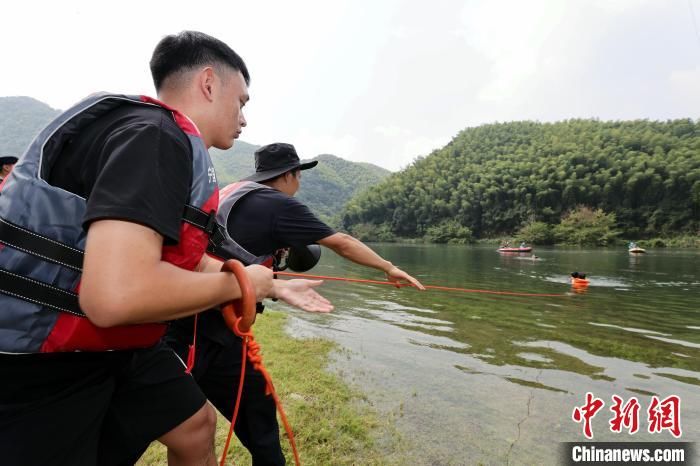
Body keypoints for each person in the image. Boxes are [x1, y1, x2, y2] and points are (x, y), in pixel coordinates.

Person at [0, 32, 331, 466]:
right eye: (242, 102)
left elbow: (179, 256)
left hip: (119, 349)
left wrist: (269, 285)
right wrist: (239, 285)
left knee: (194, 425)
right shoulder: (155, 138)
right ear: (209, 84)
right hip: (40, 362)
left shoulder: (157, 139)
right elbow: (115, 298)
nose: (244, 119)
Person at [165, 142, 424, 465]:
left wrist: (272, 286)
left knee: (231, 413)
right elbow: (341, 242)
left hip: (190, 324)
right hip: (202, 331)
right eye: (298, 176)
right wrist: (388, 267)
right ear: (290, 175)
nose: (298, 184)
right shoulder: (278, 205)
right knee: (198, 424)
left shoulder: (231, 193)